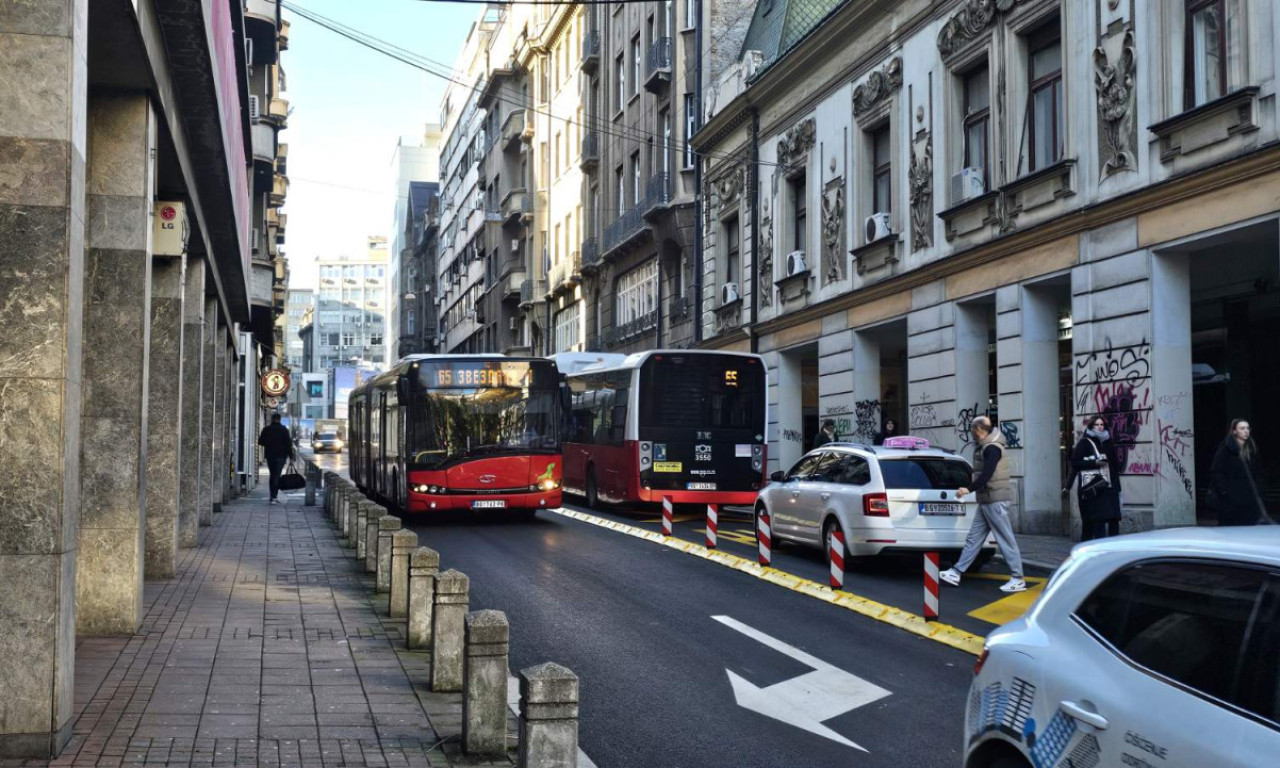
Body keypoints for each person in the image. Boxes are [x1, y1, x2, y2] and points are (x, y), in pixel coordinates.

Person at [939, 416, 1026, 592]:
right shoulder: (986, 446)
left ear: (978, 429)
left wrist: (968, 489)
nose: (970, 431)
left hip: (994, 500)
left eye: (971, 428)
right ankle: (956, 572)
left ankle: (1018, 578)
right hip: (987, 499)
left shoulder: (992, 448)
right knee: (974, 537)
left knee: (1005, 539)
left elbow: (987, 474)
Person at [1209, 419, 1269, 525]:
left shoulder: (1252, 448)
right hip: (1230, 501)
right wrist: (1225, 492)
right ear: (1234, 431)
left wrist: (1259, 489)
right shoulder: (1226, 449)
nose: (1246, 431)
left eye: (1247, 428)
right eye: (1242, 428)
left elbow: (1259, 471)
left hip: (1249, 499)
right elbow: (1217, 471)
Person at [1073, 415, 1123, 540]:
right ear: (1091, 426)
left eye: (1102, 425)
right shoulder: (1085, 442)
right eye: (1097, 425)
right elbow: (1075, 463)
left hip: (1111, 487)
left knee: (1114, 520)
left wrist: (1117, 487)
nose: (1100, 427)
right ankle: (1097, 549)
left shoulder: (1108, 442)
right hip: (1096, 487)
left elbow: (1114, 465)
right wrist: (1094, 463)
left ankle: (1114, 548)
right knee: (1097, 521)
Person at [257, 413, 295, 505]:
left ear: (272, 419)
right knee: (276, 476)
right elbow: (288, 445)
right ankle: (274, 497)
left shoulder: (266, 429)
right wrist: (292, 457)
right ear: (280, 419)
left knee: (272, 475)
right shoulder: (284, 430)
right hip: (281, 457)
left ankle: (272, 496)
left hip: (270, 456)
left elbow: (260, 442)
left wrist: (269, 443)